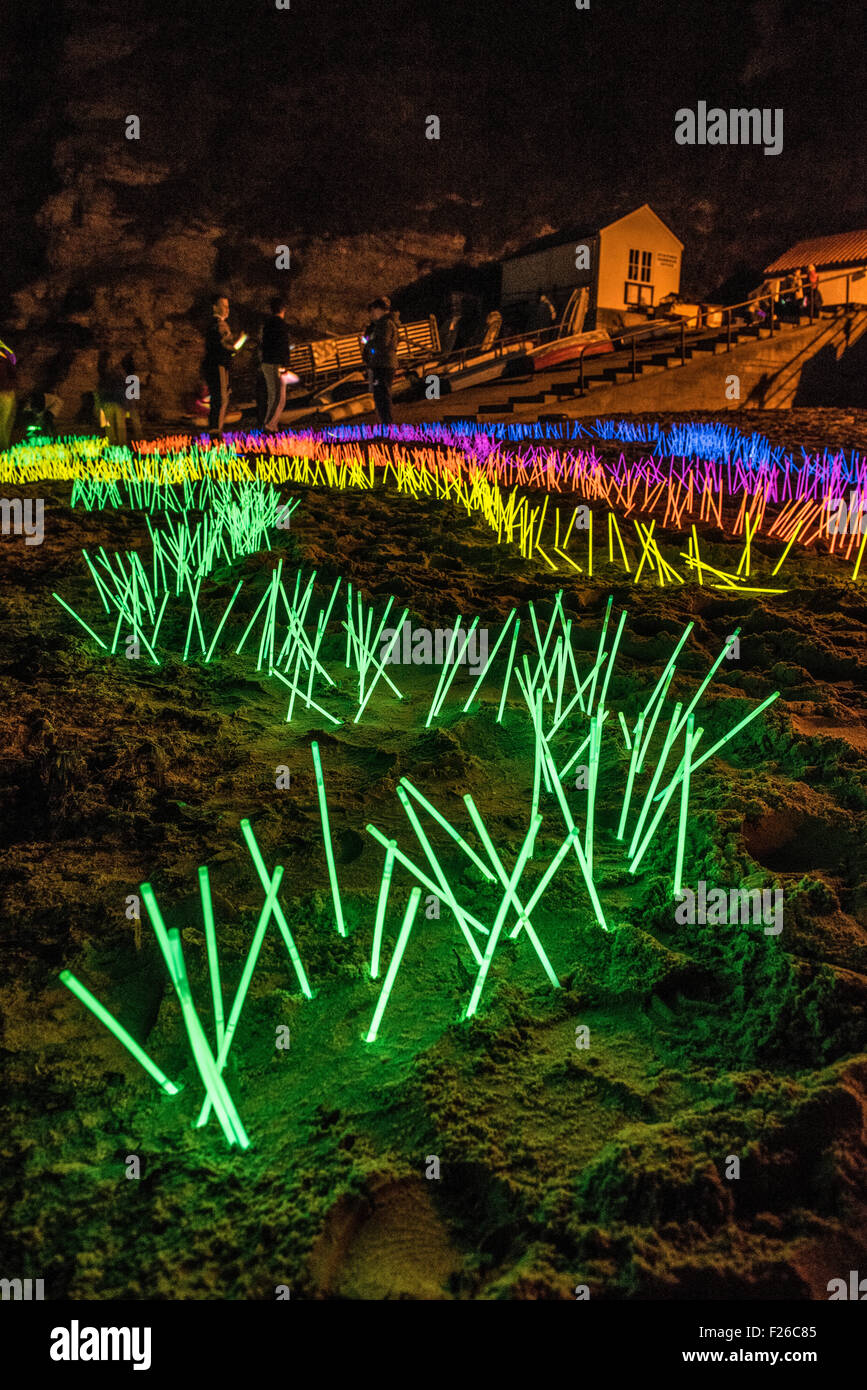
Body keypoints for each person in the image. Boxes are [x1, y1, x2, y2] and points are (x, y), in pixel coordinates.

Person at [202, 295, 240, 436]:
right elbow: (226, 346)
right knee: (221, 397)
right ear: (215, 307)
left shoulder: (213, 324)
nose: (227, 309)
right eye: (223, 306)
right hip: (219, 365)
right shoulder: (219, 325)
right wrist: (238, 344)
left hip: (216, 364)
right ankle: (215, 431)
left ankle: (215, 429)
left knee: (219, 397)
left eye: (228, 306)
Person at [362, 296, 399, 427]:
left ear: (378, 309)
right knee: (381, 395)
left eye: (372, 311)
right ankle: (386, 424)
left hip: (383, 364)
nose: (371, 315)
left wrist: (368, 344)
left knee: (382, 395)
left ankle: (388, 425)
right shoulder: (381, 324)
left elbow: (382, 342)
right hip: (383, 363)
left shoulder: (385, 324)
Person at [259, 295, 292, 431]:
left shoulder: (266, 325)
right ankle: (269, 425)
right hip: (278, 363)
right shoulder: (282, 326)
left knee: (272, 396)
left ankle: (272, 425)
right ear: (283, 309)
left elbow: (262, 344)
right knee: (280, 397)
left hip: (267, 362)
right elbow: (283, 346)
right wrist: (285, 364)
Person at [95, 351, 128, 445]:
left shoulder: (119, 373)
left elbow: (124, 386)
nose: (111, 362)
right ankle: (114, 443)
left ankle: (121, 443)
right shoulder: (105, 373)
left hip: (117, 402)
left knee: (119, 424)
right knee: (110, 424)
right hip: (110, 401)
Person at [0, 338, 17, 449]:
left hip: (3, 393)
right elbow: (14, 362)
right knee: (4, 425)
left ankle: (3, 451)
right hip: (8, 393)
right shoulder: (5, 356)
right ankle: (4, 450)